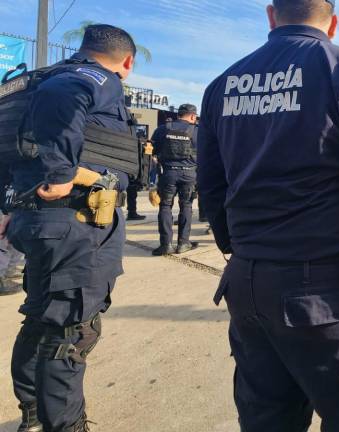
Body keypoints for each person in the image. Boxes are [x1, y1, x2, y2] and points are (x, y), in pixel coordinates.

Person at [196, 1, 339, 430]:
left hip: (248, 286)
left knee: (267, 416)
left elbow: (211, 185)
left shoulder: (222, 85)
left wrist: (241, 251)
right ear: (332, 23)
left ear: (271, 15)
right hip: (327, 297)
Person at [0, 24, 136, 432]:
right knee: (72, 328)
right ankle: (65, 424)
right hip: (75, 221)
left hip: (39, 219)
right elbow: (65, 102)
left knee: (42, 317)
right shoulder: (94, 78)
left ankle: (35, 414)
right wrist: (61, 173)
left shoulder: (37, 79)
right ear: (126, 61)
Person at [151, 104, 200, 256]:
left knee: (165, 206)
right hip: (190, 174)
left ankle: (166, 245)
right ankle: (183, 243)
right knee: (186, 206)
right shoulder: (197, 131)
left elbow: (152, 152)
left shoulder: (162, 129)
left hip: (168, 173)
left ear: (179, 114)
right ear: (192, 116)